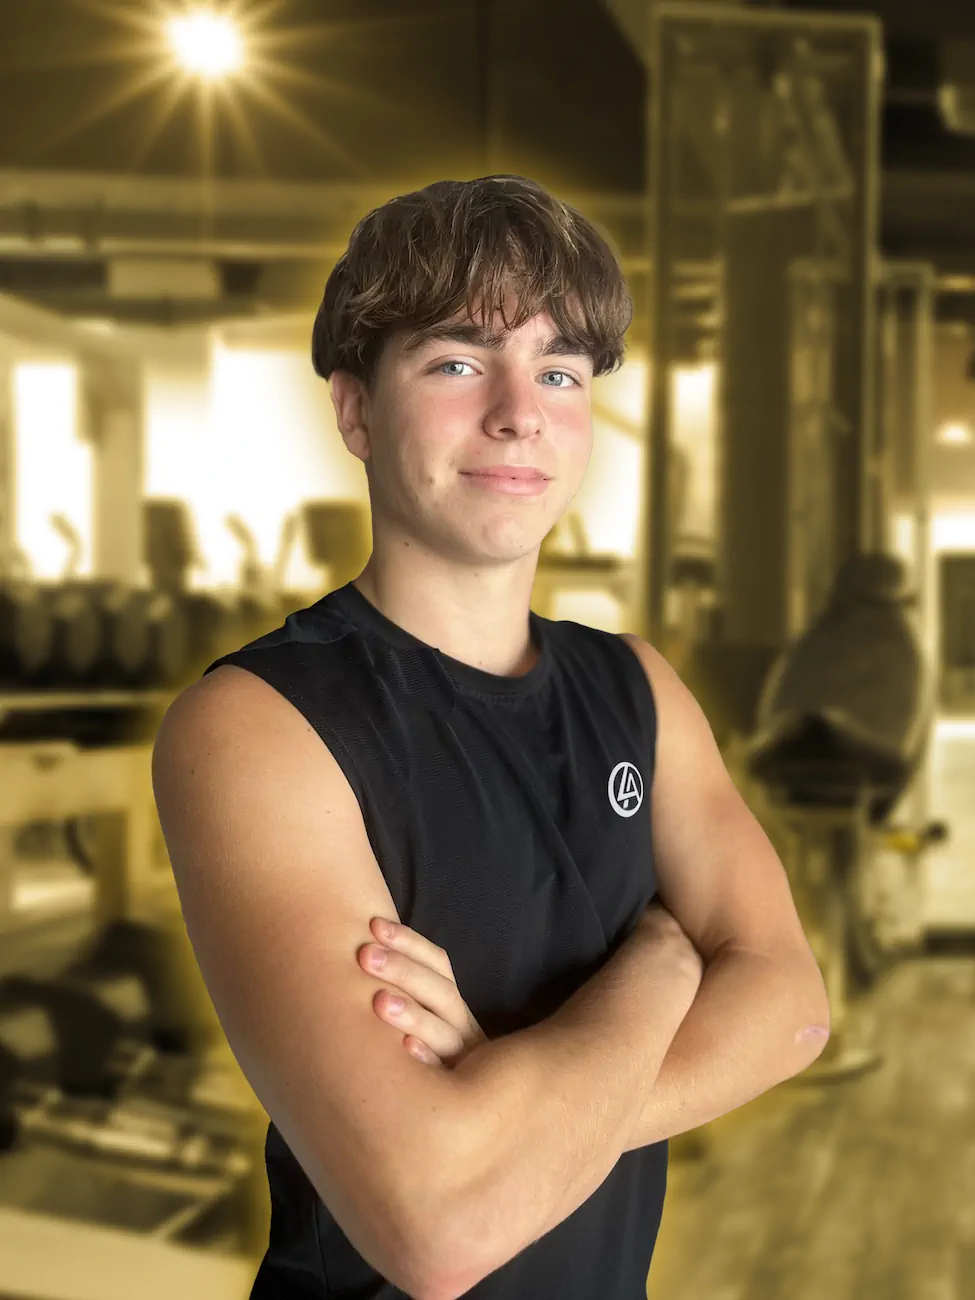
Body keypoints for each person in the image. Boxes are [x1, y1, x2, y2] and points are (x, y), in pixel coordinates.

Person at [151, 174, 830, 1299]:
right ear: (356, 409)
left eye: (559, 370)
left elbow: (792, 1008)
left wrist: (516, 1104)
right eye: (460, 362)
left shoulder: (639, 690)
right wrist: (665, 959)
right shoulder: (257, 726)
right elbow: (441, 1227)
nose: (521, 411)